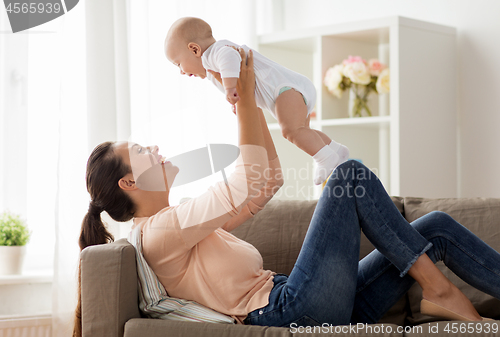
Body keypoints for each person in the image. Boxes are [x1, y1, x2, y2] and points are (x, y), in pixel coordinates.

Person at [74, 49, 499, 336]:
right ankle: (439, 291)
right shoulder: (159, 233)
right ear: (128, 184)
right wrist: (237, 92)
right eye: (141, 151)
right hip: (291, 310)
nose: (155, 148)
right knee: (347, 174)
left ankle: (438, 291)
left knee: (436, 228)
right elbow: (248, 179)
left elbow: (262, 185)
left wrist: (253, 100)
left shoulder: (182, 219)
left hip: (313, 305)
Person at [164, 17, 349, 185]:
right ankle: (335, 149)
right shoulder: (212, 65)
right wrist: (237, 102)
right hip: (288, 90)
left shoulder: (213, 54)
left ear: (194, 49)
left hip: (285, 89)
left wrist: (230, 89)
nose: (181, 71)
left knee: (290, 131)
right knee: (302, 131)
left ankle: (324, 158)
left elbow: (229, 58)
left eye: (178, 64)